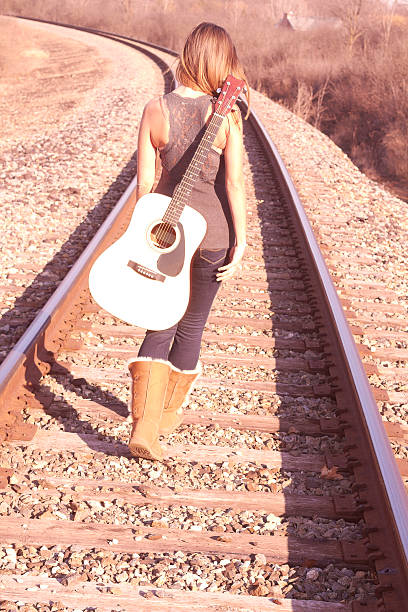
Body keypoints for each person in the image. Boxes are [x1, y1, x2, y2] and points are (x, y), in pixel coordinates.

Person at [128, 22, 249, 461]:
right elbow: (234, 184)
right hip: (213, 236)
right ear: (221, 63)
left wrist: (146, 236)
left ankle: (144, 425)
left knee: (162, 318)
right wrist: (242, 240)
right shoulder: (228, 114)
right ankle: (163, 417)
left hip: (168, 233)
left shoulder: (155, 108)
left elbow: (144, 185)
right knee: (193, 323)